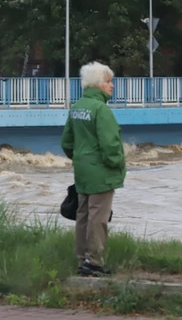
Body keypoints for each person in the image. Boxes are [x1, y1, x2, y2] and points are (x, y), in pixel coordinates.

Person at [61, 61, 126, 277]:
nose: (112, 86)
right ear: (98, 84)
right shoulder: (101, 110)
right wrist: (117, 165)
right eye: (108, 82)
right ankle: (95, 262)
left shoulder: (77, 108)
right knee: (98, 218)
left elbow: (67, 142)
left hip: (82, 173)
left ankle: (82, 260)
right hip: (102, 174)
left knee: (83, 216)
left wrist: (80, 158)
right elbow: (111, 145)